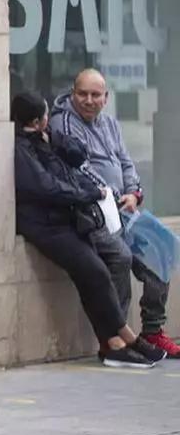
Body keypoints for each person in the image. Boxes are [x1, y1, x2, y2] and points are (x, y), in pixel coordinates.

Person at [12, 93, 165, 368]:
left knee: (96, 272)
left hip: (67, 219)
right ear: (36, 120)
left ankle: (118, 340)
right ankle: (120, 340)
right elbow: (45, 186)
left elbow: (78, 156)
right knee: (94, 270)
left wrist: (54, 139)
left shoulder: (46, 137)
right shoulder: (22, 149)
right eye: (44, 117)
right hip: (45, 224)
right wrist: (88, 193)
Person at [50, 69, 179, 358]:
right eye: (82, 93)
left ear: (106, 98)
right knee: (120, 257)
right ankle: (116, 339)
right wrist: (109, 193)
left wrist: (133, 193)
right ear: (73, 94)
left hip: (124, 209)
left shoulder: (110, 124)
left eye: (95, 95)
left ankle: (153, 331)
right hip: (94, 212)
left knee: (162, 248)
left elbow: (126, 162)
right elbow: (78, 168)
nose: (88, 100)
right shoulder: (64, 124)